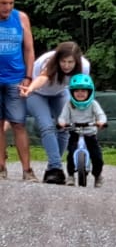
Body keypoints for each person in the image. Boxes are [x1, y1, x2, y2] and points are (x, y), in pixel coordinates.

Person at [21, 41, 90, 184]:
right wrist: (30, 88)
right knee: (47, 126)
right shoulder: (48, 62)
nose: (66, 66)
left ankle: (52, 167)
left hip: (59, 92)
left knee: (64, 126)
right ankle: (56, 168)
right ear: (58, 59)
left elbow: (80, 88)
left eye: (70, 62)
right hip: (36, 92)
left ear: (76, 61)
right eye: (63, 61)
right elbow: (43, 78)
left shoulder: (84, 66)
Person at [0, 0, 37, 181]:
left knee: (18, 123)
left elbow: (29, 49)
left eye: (10, 3)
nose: (7, 7)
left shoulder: (21, 18)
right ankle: (1, 167)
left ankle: (27, 170)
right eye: (2, 3)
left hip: (16, 78)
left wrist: (28, 77)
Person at [56, 74, 106, 187]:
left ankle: (97, 176)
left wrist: (101, 122)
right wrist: (62, 122)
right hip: (75, 133)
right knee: (71, 154)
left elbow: (100, 115)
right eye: (76, 91)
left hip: (90, 134)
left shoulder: (93, 104)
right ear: (71, 92)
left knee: (97, 157)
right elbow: (63, 116)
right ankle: (70, 175)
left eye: (83, 90)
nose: (80, 93)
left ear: (90, 91)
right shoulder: (69, 104)